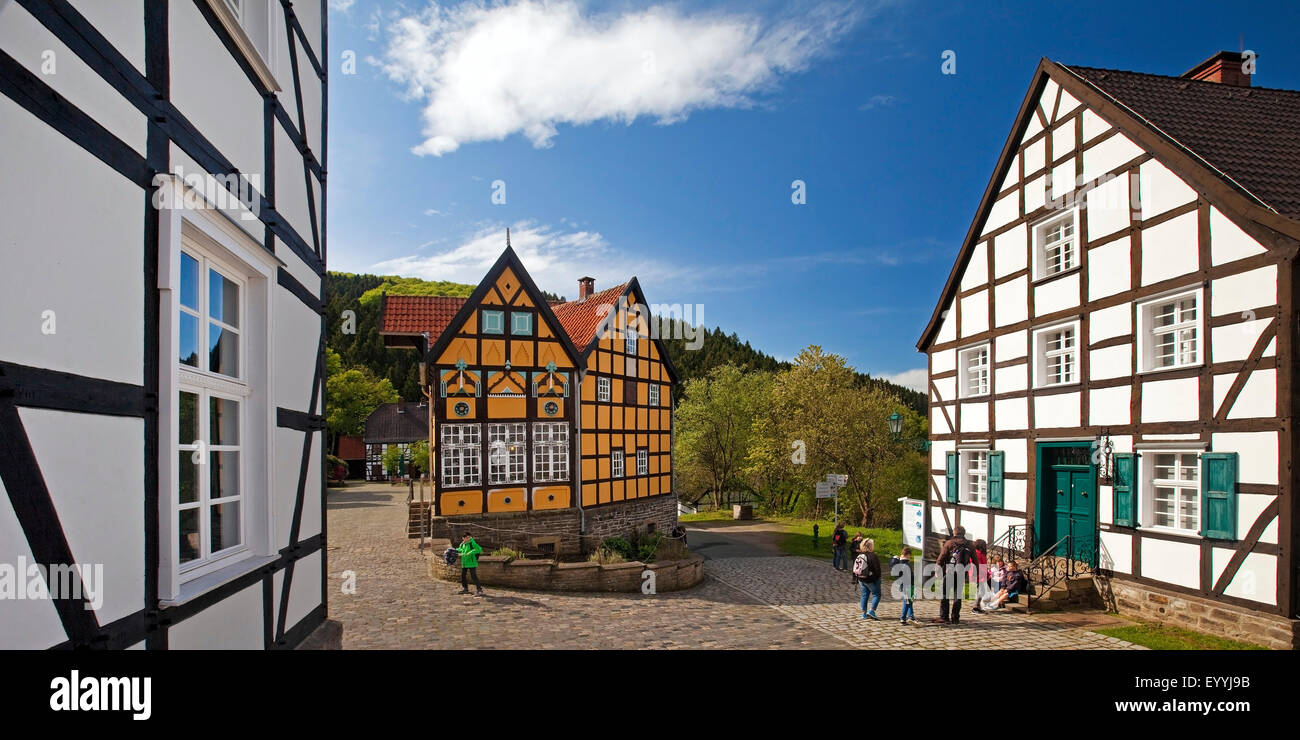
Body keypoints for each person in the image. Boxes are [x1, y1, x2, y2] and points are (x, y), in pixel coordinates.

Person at [931, 526, 975, 625]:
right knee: (958, 596)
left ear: (954, 533)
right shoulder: (970, 545)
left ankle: (944, 617)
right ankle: (955, 618)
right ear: (964, 533)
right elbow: (975, 561)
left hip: (950, 572)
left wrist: (937, 568)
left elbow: (941, 557)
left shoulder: (949, 543)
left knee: (945, 595)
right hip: (962, 573)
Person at [853, 539, 882, 620]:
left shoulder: (860, 555)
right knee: (877, 595)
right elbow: (877, 570)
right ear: (870, 546)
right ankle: (872, 611)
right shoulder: (873, 556)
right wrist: (877, 579)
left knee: (864, 595)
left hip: (861, 579)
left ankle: (864, 614)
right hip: (871, 580)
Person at [890, 546, 918, 625]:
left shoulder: (899, 563)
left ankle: (911, 617)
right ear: (908, 554)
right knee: (907, 602)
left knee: (909, 601)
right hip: (908, 586)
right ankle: (903, 618)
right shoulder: (906, 564)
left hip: (902, 585)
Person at [971, 539, 989, 613]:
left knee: (980, 590)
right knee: (981, 591)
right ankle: (976, 607)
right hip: (980, 574)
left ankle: (977, 606)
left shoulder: (975, 553)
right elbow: (982, 565)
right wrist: (987, 574)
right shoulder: (979, 554)